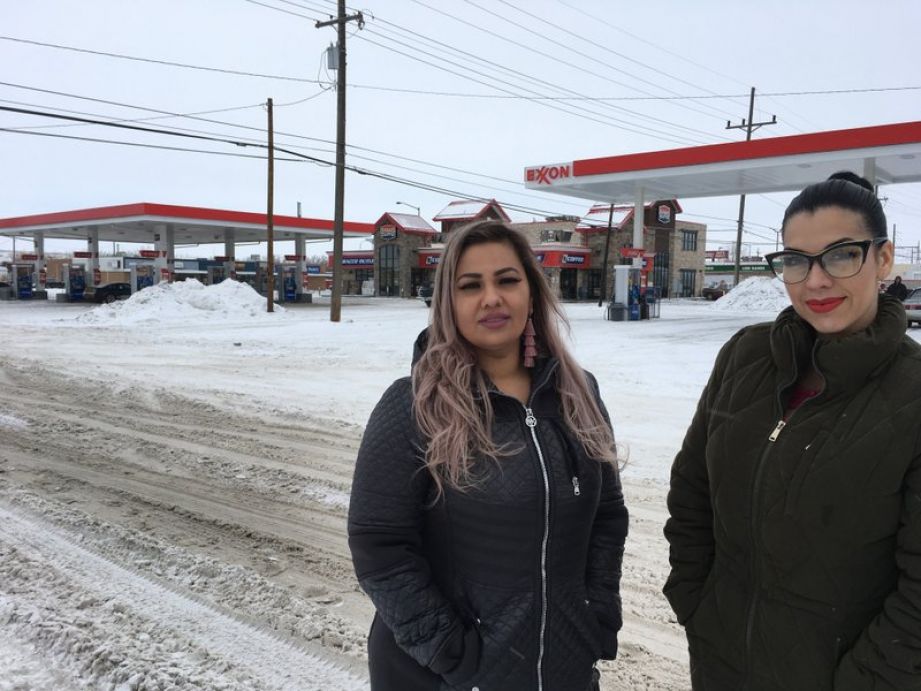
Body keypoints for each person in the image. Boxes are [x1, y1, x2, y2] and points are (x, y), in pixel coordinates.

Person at [663, 171, 921, 690]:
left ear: (884, 259)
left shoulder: (911, 394)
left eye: (842, 254)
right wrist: (695, 601)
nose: (816, 280)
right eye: (797, 260)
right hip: (720, 665)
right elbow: (693, 491)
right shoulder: (744, 357)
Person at [349, 220, 628, 691]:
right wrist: (450, 652)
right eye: (470, 285)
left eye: (507, 280)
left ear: (531, 292)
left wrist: (596, 614)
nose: (492, 298)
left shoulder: (579, 393)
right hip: (446, 677)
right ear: (448, 303)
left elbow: (606, 515)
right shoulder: (413, 405)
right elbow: (380, 546)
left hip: (562, 670)